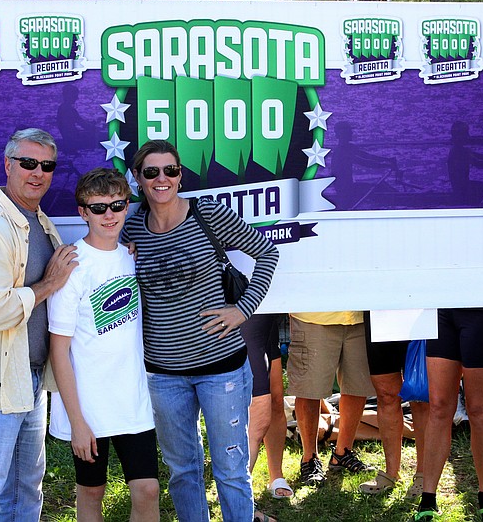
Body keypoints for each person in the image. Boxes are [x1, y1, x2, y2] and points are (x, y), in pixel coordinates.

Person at [121, 140, 279, 522]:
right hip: (163, 374)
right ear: (138, 180)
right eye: (152, 172)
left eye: (171, 171)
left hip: (221, 367)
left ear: (180, 175)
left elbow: (267, 252)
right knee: (183, 472)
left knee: (230, 471)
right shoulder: (128, 229)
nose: (162, 179)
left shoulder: (206, 213)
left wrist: (242, 310)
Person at [0, 128, 78, 522]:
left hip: (31, 379)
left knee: (26, 492)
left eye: (46, 165)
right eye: (28, 163)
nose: (37, 172)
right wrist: (46, 286)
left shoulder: (39, 223)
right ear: (8, 165)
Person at [48, 168, 159, 522]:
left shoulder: (131, 255)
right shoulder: (71, 267)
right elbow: (59, 350)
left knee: (148, 489)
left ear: (127, 206)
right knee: (92, 492)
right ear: (82, 212)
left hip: (132, 399)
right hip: (89, 406)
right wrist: (77, 421)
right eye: (98, 208)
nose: (109, 215)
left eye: (117, 205)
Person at [414, 308, 483, 522]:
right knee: (439, 406)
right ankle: (428, 497)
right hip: (442, 310)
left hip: (482, 312)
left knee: (479, 409)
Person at [287, 311, 376, 486]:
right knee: (308, 390)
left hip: (360, 315)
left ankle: (343, 453)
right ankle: (309, 459)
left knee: (357, 386)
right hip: (314, 316)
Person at [361, 321, 428, 496]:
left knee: (421, 396)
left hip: (419, 313)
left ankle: (424, 475)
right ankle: (391, 474)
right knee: (385, 395)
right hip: (380, 313)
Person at [240, 314, 293, 505]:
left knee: (275, 400)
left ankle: (276, 475)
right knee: (254, 409)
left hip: (267, 316)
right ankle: (240, 490)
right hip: (239, 314)